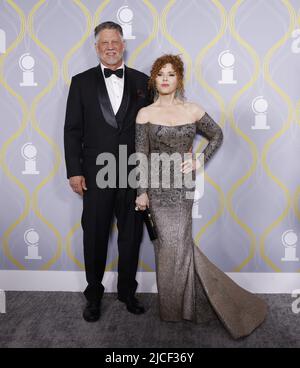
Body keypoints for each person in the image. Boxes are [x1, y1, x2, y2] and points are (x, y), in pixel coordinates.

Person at [135, 54, 267, 339]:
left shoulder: (193, 109)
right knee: (168, 247)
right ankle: (173, 309)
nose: (166, 79)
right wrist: (142, 192)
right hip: (156, 187)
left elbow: (217, 135)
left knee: (179, 244)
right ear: (154, 80)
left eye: (171, 74)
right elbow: (140, 156)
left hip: (182, 186)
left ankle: (185, 307)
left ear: (179, 78)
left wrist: (198, 160)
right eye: (160, 74)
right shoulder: (144, 113)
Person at [64, 21, 151, 322]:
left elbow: (154, 128)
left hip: (132, 172)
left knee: (131, 236)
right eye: (104, 43)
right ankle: (94, 296)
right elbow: (72, 131)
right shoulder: (81, 82)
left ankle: (127, 292)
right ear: (97, 47)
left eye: (115, 41)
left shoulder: (144, 81)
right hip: (95, 173)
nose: (111, 47)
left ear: (123, 44)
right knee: (95, 236)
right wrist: (74, 171)